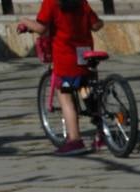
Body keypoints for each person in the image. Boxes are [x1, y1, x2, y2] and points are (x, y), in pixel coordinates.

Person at [18, 0, 104, 156]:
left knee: (66, 97)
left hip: (65, 59)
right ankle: (102, 134)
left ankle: (75, 140)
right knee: (88, 90)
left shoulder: (51, 2)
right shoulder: (81, 2)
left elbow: (41, 28)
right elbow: (96, 25)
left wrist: (24, 21)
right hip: (84, 55)